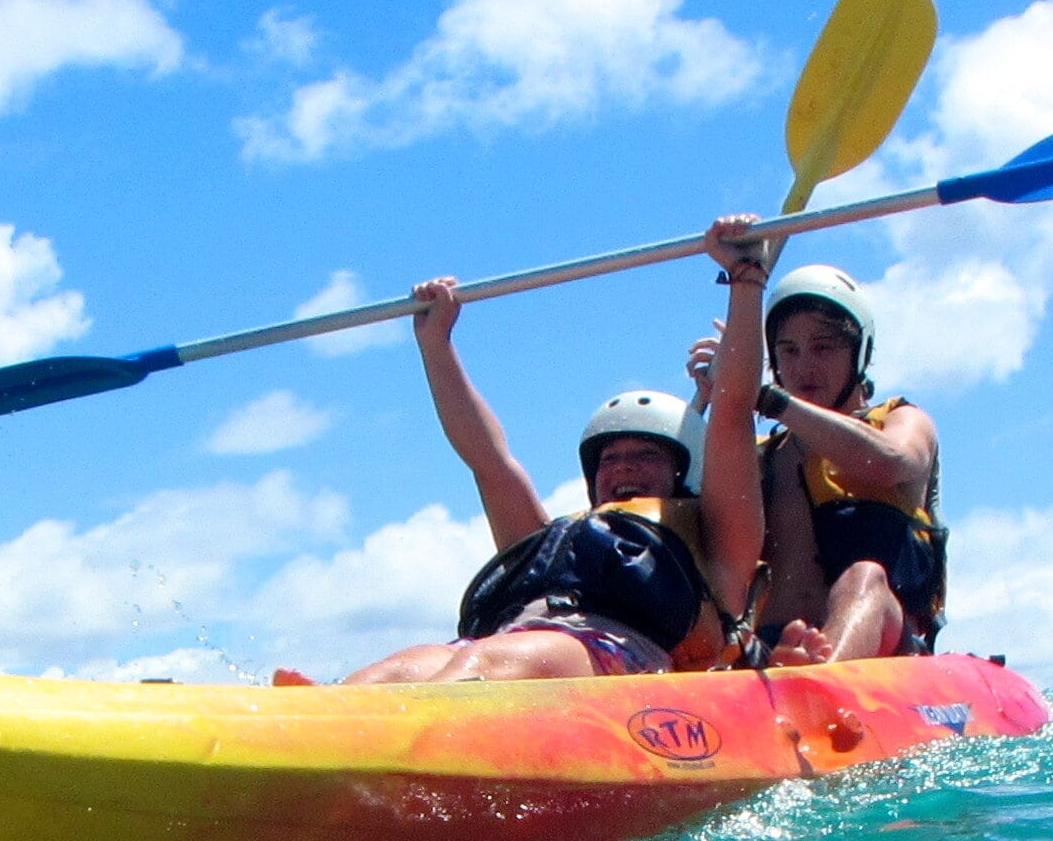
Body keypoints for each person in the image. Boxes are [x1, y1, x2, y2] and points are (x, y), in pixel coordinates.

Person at [328, 219, 771, 684]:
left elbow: (733, 410)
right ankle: (324, 716)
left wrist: (746, 277)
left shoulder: (720, 550)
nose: (623, 467)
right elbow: (488, 460)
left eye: (645, 455)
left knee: (482, 665)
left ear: (685, 472)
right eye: (610, 459)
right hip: (512, 651)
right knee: (401, 668)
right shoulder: (544, 542)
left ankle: (423, 726)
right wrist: (435, 343)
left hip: (616, 660)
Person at [733, 263, 944, 663]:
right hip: (772, 645)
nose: (803, 366)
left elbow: (891, 462)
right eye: (788, 350)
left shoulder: (900, 421)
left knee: (865, 575)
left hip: (882, 638)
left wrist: (771, 401)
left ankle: (819, 677)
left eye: (823, 347)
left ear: (859, 353)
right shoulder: (763, 456)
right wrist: (720, 396)